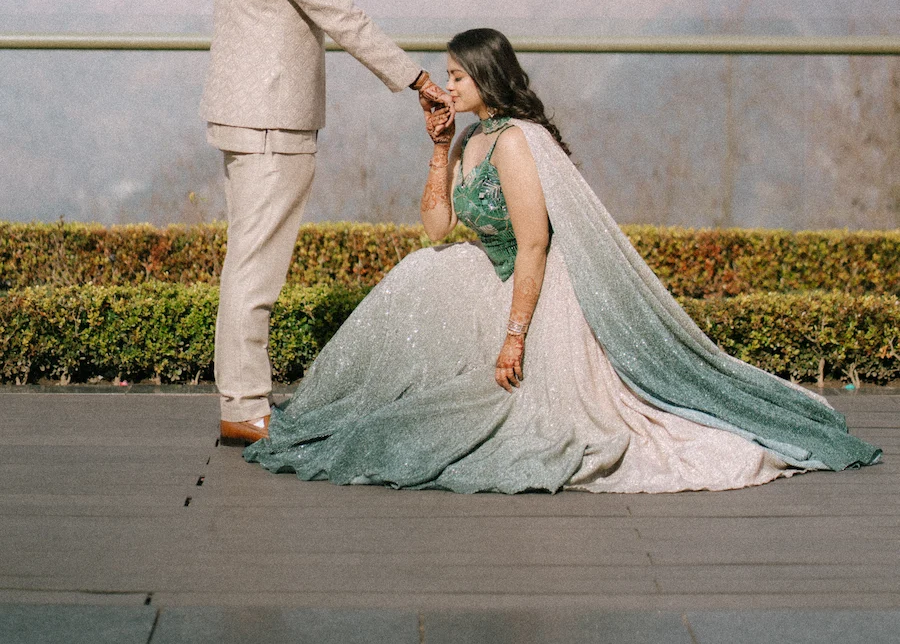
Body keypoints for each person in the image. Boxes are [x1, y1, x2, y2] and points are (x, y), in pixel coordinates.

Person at [244, 27, 880, 493]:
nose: (447, 85)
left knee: (557, 420)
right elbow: (437, 230)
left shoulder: (518, 143)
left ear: (486, 79)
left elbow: (534, 243)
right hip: (488, 271)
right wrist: (438, 149)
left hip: (537, 286)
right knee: (420, 271)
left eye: (458, 77)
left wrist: (514, 339)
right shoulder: (469, 138)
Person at [201, 0, 452, 446]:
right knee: (257, 270)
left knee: (244, 262)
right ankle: (245, 407)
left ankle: (243, 400)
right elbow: (344, 18)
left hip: (241, 114)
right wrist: (420, 81)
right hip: (271, 119)